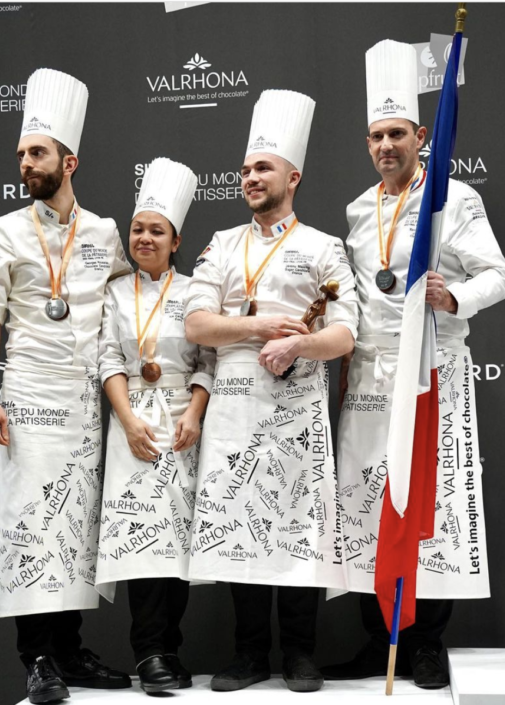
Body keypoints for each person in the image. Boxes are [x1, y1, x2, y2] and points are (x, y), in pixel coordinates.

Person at [322, 40, 505, 689]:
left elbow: (499, 275)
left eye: (396, 134)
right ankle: (379, 642)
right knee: (365, 506)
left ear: (419, 135)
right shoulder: (356, 209)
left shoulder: (450, 199)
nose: (384, 146)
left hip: (430, 374)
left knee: (425, 506)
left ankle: (425, 643)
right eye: (375, 135)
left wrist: (453, 294)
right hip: (368, 381)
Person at [184, 89, 358, 693]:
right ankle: (250, 654)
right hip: (233, 406)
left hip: (297, 409)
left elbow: (344, 333)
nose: (250, 177)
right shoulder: (222, 244)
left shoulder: (323, 247)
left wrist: (296, 346)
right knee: (239, 521)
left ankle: (300, 654)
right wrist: (259, 326)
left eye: (262, 168)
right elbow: (196, 324)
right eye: (246, 169)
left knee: (298, 526)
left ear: (293, 176)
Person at [0, 68, 133, 704]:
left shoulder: (104, 233)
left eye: (36, 153)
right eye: (20, 154)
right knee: (30, 526)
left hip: (87, 402)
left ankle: (69, 649)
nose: (25, 163)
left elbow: (131, 298)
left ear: (69, 161)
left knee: (74, 527)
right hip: (30, 395)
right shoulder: (4, 231)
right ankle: (36, 658)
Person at [94, 157, 214, 694]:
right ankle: (148, 655)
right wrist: (126, 421)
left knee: (177, 547)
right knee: (142, 546)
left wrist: (194, 412)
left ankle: (170, 646)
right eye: (138, 228)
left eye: (156, 230)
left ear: (175, 239)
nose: (144, 237)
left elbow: (209, 361)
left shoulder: (194, 291)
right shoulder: (115, 292)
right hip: (133, 423)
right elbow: (108, 361)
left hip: (182, 426)